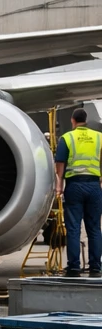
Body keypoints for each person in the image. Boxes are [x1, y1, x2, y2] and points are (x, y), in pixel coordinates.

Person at [55, 107, 102, 277]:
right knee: (95, 228)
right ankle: (96, 267)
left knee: (74, 228)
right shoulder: (99, 137)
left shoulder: (67, 138)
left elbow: (60, 165)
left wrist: (59, 186)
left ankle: (74, 267)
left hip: (74, 185)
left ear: (73, 121)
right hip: (94, 186)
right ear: (86, 120)